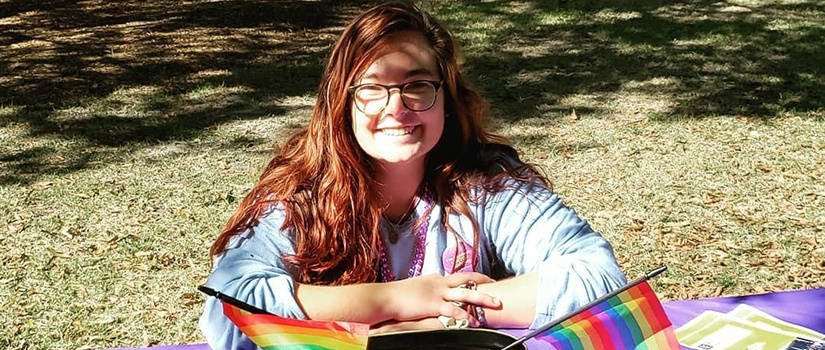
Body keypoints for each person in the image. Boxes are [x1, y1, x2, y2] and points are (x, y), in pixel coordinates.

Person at [199, 1, 626, 349]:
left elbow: (599, 278)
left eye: (417, 84)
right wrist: (395, 299)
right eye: (370, 88)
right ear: (342, 104)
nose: (395, 108)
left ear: (446, 97)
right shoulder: (299, 193)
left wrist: (442, 314)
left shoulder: (486, 181)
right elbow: (229, 305)